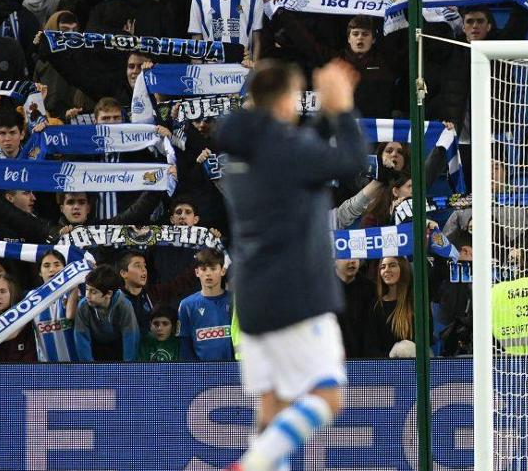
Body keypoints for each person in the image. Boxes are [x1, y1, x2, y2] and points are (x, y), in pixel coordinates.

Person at [217, 59, 367, 471]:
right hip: (297, 294)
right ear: (286, 100)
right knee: (328, 397)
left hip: (251, 297)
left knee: (272, 409)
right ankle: (251, 466)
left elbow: (299, 154)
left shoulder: (242, 146)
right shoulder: (286, 150)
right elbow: (353, 161)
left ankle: (260, 461)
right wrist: (342, 109)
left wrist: (321, 117)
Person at [73, 264, 140, 362]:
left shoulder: (124, 305)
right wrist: (88, 369)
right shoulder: (83, 305)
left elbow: (131, 338)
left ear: (108, 294)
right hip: (96, 345)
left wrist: (128, 369)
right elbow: (81, 339)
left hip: (119, 345)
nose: (87, 295)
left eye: (93, 292)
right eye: (87, 289)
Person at [178, 248, 235, 361]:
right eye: (203, 269)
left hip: (233, 371)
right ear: (197, 272)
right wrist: (195, 373)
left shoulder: (235, 300)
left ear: (222, 271)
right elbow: (185, 346)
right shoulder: (186, 305)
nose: (208, 273)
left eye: (213, 269)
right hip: (201, 374)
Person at [361, 255, 417, 358]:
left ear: (403, 268)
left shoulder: (416, 304)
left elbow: (426, 341)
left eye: (392, 265)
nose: (386, 270)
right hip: (383, 368)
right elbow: (370, 347)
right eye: (383, 267)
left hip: (412, 368)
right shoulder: (375, 306)